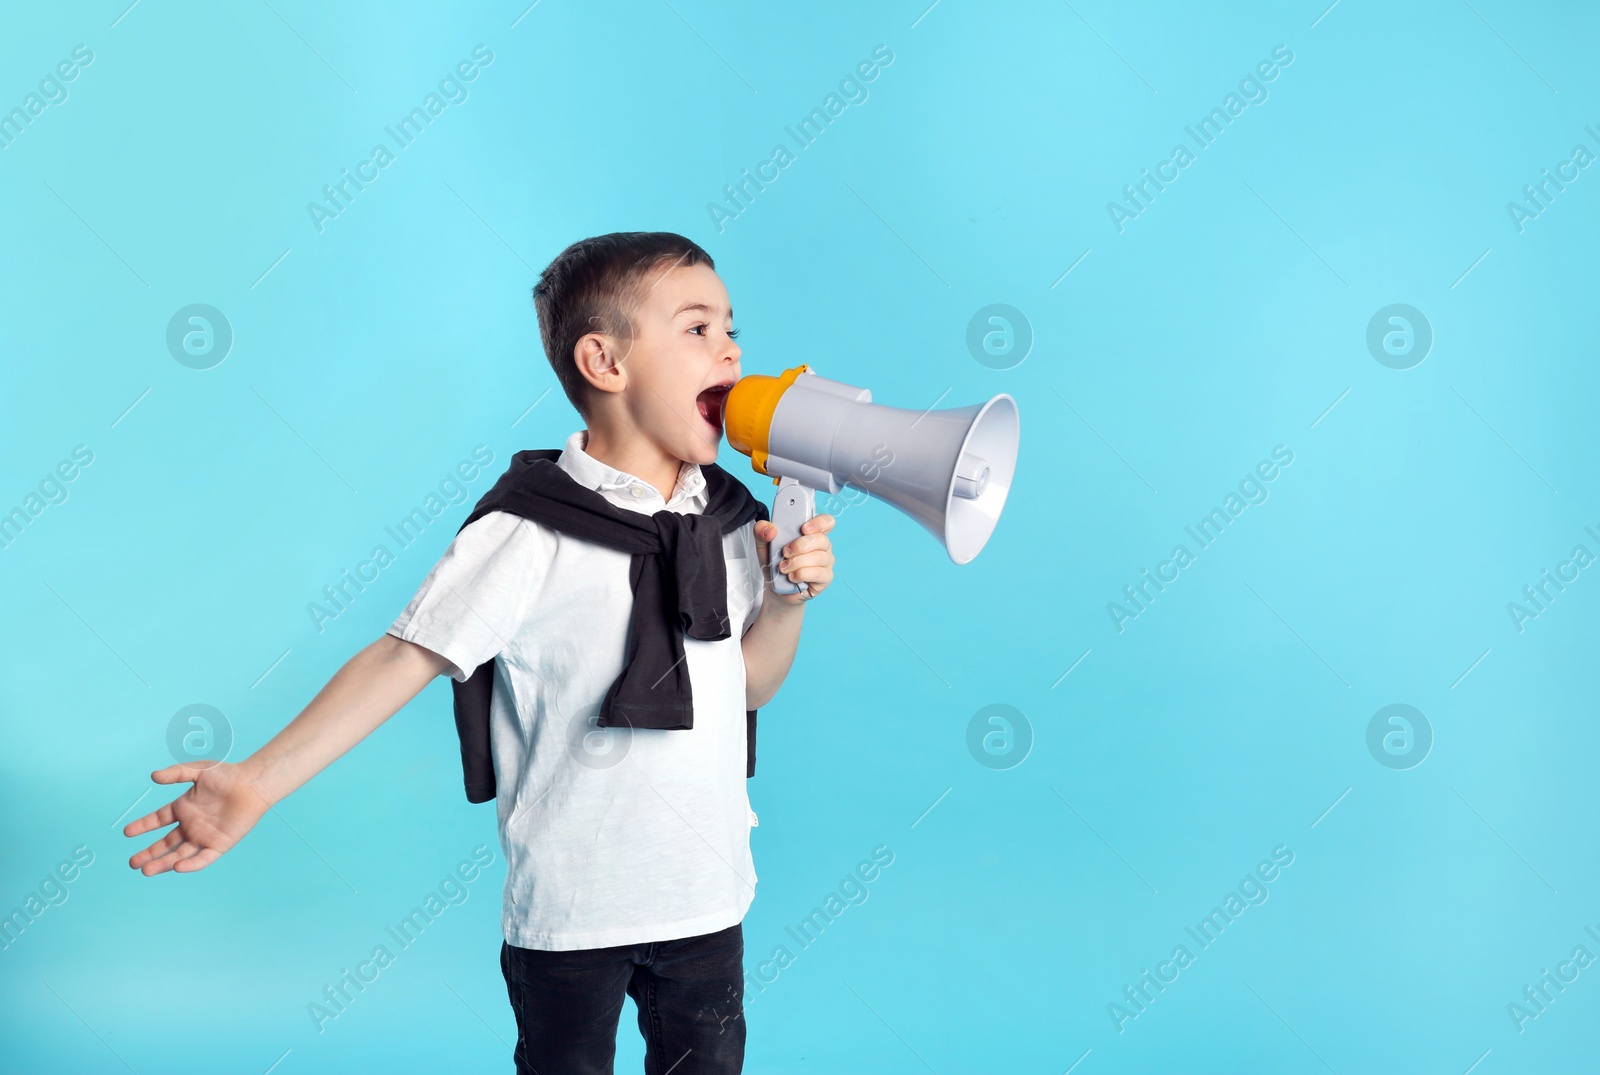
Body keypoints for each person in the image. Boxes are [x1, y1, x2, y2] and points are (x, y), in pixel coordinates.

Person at [124, 231, 837, 1074]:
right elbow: (401, 659)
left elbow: (744, 685)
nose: (733, 348)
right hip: (572, 913)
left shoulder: (724, 519)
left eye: (731, 326)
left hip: (706, 899)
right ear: (604, 362)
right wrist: (259, 779)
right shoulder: (528, 532)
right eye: (698, 328)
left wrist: (786, 603)